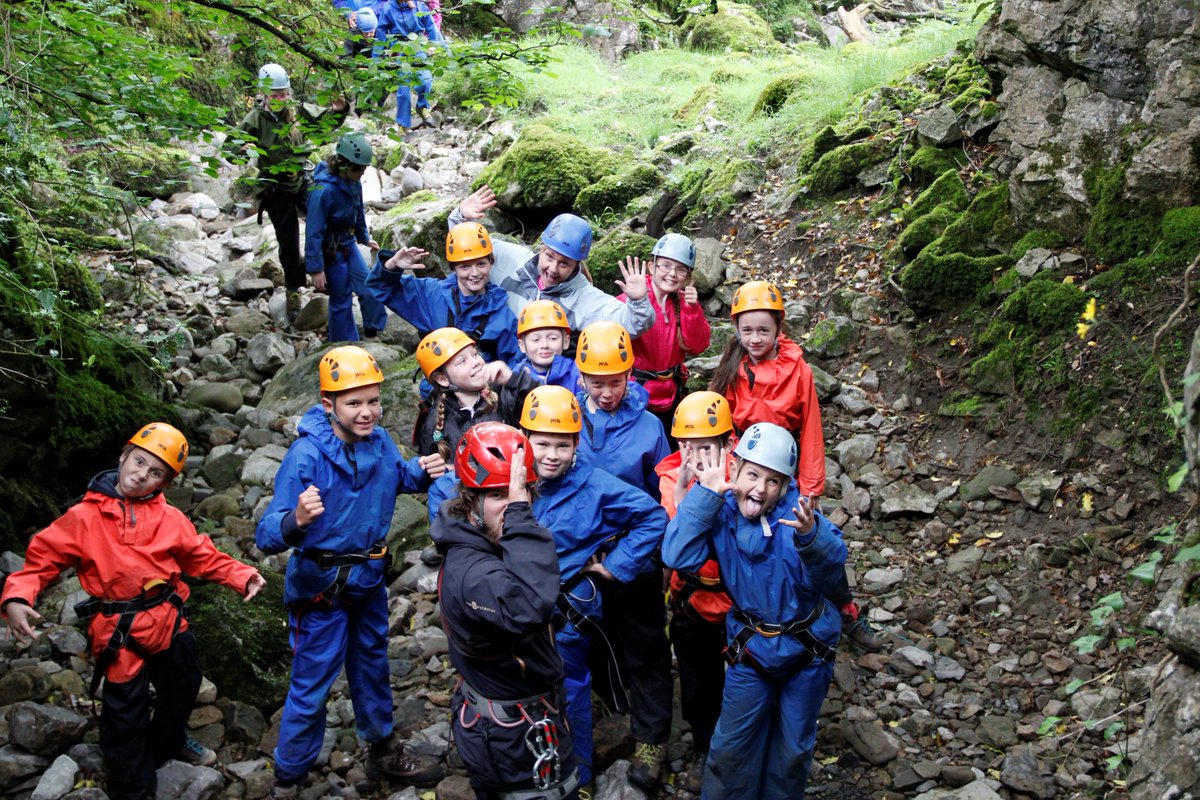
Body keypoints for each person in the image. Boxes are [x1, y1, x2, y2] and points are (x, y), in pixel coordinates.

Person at [1, 423, 266, 800]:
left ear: (165, 483)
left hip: (169, 620)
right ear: (123, 457)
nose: (142, 475)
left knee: (184, 683)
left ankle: (168, 742)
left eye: (155, 472)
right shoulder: (84, 517)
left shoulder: (170, 518)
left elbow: (200, 555)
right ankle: (134, 787)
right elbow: (41, 560)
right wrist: (17, 597)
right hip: (118, 631)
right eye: (139, 462)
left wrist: (243, 576)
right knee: (125, 713)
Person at [255, 346, 446, 797]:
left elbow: (395, 477)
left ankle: (382, 751)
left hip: (368, 582)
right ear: (329, 405)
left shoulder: (378, 441)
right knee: (312, 683)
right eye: (354, 403)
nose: (367, 412)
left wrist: (420, 471)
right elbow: (266, 535)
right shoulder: (306, 457)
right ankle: (289, 777)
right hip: (320, 590)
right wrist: (295, 520)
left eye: (373, 401)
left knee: (372, 667)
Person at [662, 423, 847, 800]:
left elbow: (833, 577)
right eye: (752, 475)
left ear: (784, 486)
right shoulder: (722, 514)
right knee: (730, 747)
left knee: (792, 750)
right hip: (751, 651)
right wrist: (704, 496)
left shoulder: (799, 519)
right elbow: (676, 555)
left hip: (806, 652)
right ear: (735, 469)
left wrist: (812, 539)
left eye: (773, 481)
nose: (760, 489)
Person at [708, 280, 882, 652]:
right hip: (743, 468)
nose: (755, 339)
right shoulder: (731, 368)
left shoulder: (797, 370)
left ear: (778, 329)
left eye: (763, 331)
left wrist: (812, 487)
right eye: (747, 330)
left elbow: (811, 428)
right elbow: (721, 425)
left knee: (809, 544)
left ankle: (842, 609)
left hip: (783, 474)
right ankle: (749, 619)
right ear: (736, 329)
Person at [519, 386, 668, 794]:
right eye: (542, 443)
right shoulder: (512, 478)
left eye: (562, 445)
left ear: (576, 443)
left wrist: (615, 566)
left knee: (572, 693)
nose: (551, 454)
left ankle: (579, 777)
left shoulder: (595, 485)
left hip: (566, 616)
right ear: (524, 439)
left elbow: (652, 517)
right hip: (517, 614)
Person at [432, 422, 582, 800]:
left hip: (520, 719)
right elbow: (529, 607)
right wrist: (519, 516)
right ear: (470, 499)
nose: (516, 505)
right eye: (498, 495)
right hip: (509, 736)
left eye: (522, 493)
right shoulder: (472, 572)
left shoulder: (480, 537)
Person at [571, 320, 674, 791]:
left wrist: (626, 561)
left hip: (633, 554)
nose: (607, 391)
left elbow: (660, 499)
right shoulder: (569, 418)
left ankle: (652, 736)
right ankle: (607, 701)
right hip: (581, 556)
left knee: (646, 645)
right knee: (591, 635)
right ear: (582, 377)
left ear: (630, 376)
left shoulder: (650, 426)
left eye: (615, 381)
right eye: (597, 382)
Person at [653, 391, 736, 794]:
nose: (696, 457)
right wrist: (690, 496)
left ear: (727, 445)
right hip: (692, 600)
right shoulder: (671, 479)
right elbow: (675, 545)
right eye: (687, 446)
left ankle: (738, 743)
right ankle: (705, 744)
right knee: (699, 682)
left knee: (741, 681)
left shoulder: (744, 477)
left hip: (738, 603)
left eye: (705, 447)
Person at [225, 63, 348, 325]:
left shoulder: (298, 111)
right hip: (275, 188)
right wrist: (242, 147)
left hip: (302, 179)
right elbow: (229, 148)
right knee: (289, 244)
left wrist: (340, 110)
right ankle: (294, 290)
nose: (280, 99)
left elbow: (324, 123)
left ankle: (322, 269)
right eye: (275, 95)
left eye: (284, 94)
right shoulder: (254, 119)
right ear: (264, 93)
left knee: (328, 220)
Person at [448, 185, 656, 337]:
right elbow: (467, 246)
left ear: (577, 265)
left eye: (564, 263)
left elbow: (630, 324)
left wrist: (638, 301)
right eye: (549, 257)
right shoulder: (513, 259)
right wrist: (460, 217)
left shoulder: (582, 297)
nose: (553, 269)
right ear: (541, 248)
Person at [366, 224, 520, 365]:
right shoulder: (431, 295)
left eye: (481, 264)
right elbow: (379, 287)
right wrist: (392, 265)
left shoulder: (503, 317)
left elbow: (514, 364)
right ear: (453, 268)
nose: (474, 273)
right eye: (465, 267)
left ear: (491, 263)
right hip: (439, 391)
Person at [617, 233, 711, 435]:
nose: (672, 274)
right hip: (635, 394)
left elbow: (698, 346)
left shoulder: (684, 302)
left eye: (680, 269)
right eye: (666, 266)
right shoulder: (632, 297)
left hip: (672, 393)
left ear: (687, 276)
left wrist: (692, 310)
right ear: (652, 267)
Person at [305, 131, 390, 342]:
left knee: (369, 285)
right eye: (358, 169)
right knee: (341, 298)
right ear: (343, 165)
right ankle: (345, 344)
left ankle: (373, 329)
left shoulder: (353, 182)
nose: (362, 173)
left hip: (348, 243)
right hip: (330, 250)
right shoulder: (322, 190)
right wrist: (316, 269)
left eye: (363, 169)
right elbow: (313, 231)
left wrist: (364, 237)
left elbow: (358, 211)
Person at [414, 327, 540, 461]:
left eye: (474, 354)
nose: (476, 362)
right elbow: (430, 472)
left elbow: (549, 405)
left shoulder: (505, 397)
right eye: (462, 361)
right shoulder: (434, 425)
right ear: (442, 379)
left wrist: (513, 379)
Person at [375, 0, 446, 134]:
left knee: (425, 81)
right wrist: (376, 58)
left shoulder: (420, 6)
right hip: (399, 51)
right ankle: (403, 124)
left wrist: (435, 45)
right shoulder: (388, 8)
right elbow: (381, 33)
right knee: (404, 90)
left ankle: (422, 107)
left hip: (418, 47)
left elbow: (431, 27)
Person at [509, 299, 582, 391]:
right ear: (522, 345)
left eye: (553, 338)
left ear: (566, 341)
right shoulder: (518, 375)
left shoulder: (577, 374)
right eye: (536, 339)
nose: (544, 345)